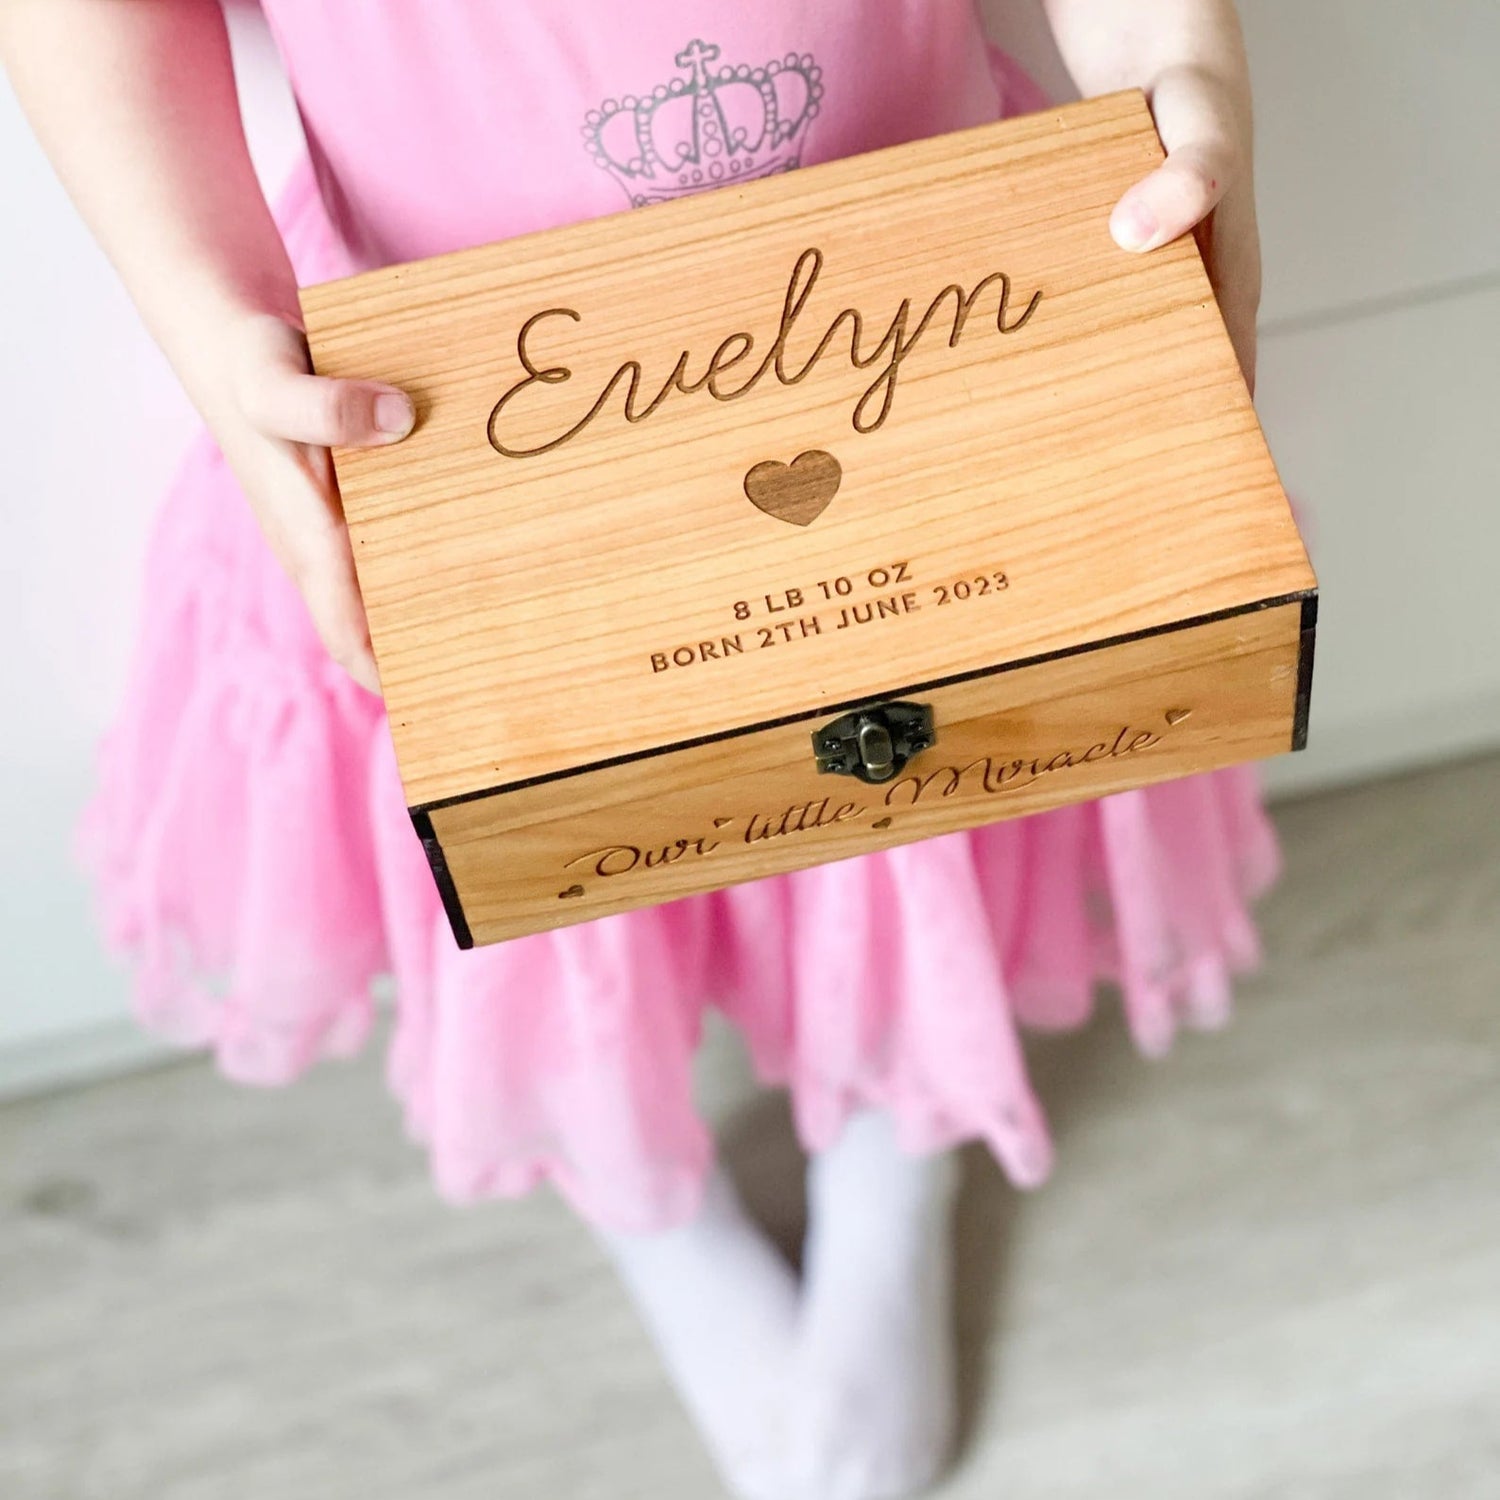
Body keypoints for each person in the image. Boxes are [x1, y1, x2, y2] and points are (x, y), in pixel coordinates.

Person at [0, 3, 1270, 1496]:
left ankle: (896, 1147)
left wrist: (1178, 72)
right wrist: (211, 316)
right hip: (452, 406)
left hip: (921, 318)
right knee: (544, 847)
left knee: (924, 780)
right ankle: (644, 1191)